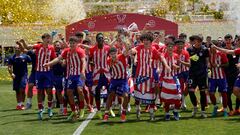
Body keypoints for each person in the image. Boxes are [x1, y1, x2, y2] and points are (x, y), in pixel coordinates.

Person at [44, 36, 87, 121]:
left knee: (80, 90)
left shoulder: (80, 51)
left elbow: (83, 61)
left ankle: (82, 109)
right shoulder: (66, 51)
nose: (71, 45)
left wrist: (82, 71)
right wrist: (49, 64)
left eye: (73, 43)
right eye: (70, 43)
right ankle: (74, 110)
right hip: (71, 75)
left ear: (77, 44)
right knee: (68, 92)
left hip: (79, 75)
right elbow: (58, 58)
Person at [131, 33, 170, 121]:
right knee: (137, 95)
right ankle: (138, 110)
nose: (145, 42)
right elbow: (133, 50)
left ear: (150, 41)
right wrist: (131, 50)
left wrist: (166, 65)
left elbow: (161, 57)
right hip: (139, 75)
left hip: (150, 76)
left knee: (151, 96)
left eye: (147, 40)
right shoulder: (139, 47)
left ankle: (151, 113)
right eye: (144, 40)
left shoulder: (153, 50)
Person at [22, 33, 57, 120]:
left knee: (49, 90)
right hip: (38, 72)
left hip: (48, 72)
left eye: (49, 38)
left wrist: (51, 64)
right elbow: (27, 47)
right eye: (47, 38)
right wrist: (23, 42)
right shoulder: (38, 46)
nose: (48, 40)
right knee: (40, 91)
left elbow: (55, 59)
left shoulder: (51, 48)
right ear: (43, 39)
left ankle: (49, 108)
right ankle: (40, 109)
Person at [103, 42, 131, 122]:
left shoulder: (121, 56)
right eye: (111, 54)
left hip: (123, 80)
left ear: (116, 53)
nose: (113, 55)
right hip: (114, 80)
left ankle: (123, 113)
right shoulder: (108, 61)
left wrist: (124, 40)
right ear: (109, 55)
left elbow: (128, 49)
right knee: (110, 95)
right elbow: (108, 71)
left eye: (114, 53)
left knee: (125, 96)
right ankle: (106, 113)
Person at [89, 33, 111, 119]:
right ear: (96, 40)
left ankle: (108, 108)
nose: (100, 39)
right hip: (97, 73)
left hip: (106, 72)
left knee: (110, 91)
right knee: (97, 92)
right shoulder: (92, 49)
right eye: (99, 38)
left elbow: (111, 58)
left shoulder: (107, 48)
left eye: (102, 38)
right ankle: (98, 110)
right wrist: (92, 63)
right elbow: (90, 59)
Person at [187, 35, 209, 118]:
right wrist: (191, 57)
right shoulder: (189, 49)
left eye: (200, 41)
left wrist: (207, 70)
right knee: (191, 91)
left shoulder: (205, 49)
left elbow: (207, 61)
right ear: (194, 41)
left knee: (202, 92)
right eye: (197, 40)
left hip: (202, 74)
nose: (199, 42)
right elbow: (187, 59)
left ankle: (203, 111)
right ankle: (195, 107)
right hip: (192, 73)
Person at [160, 41, 181, 121]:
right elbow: (161, 62)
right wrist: (165, 67)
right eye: (169, 46)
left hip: (174, 79)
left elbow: (179, 66)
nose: (170, 48)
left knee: (178, 97)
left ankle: (175, 111)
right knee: (167, 98)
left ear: (174, 48)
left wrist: (176, 66)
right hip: (166, 79)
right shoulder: (163, 55)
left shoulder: (176, 56)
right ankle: (167, 114)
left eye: (172, 47)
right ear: (166, 47)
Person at [8, 43, 31, 110]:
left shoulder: (25, 56)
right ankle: (19, 104)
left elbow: (31, 61)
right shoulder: (12, 57)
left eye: (18, 48)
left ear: (21, 49)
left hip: (24, 75)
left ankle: (22, 103)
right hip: (16, 76)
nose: (17, 49)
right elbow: (9, 67)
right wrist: (11, 73)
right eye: (16, 48)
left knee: (22, 89)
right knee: (17, 90)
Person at [208, 43, 229, 117]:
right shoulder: (209, 54)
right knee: (211, 93)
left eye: (213, 47)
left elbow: (227, 64)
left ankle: (225, 110)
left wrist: (218, 65)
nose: (212, 49)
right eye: (211, 48)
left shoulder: (221, 54)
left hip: (221, 77)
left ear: (216, 47)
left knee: (224, 93)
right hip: (212, 77)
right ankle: (215, 107)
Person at [175, 39, 190, 110]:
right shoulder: (173, 52)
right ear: (176, 45)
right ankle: (180, 103)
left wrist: (181, 62)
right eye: (178, 44)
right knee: (179, 88)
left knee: (188, 87)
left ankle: (183, 100)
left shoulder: (186, 52)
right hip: (177, 73)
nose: (180, 45)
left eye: (181, 44)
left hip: (186, 72)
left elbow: (189, 64)